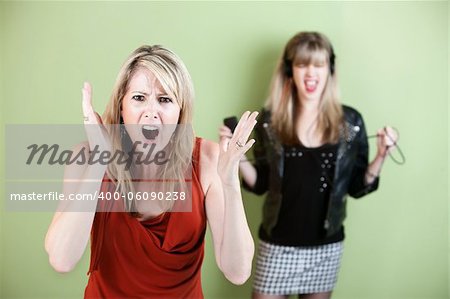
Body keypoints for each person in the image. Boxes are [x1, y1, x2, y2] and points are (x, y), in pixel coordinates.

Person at [45, 45, 257, 298]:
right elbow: (61, 260)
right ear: (121, 106)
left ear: (180, 111)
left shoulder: (207, 158)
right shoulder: (87, 157)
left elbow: (238, 272)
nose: (151, 112)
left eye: (164, 99)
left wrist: (230, 183)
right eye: (139, 97)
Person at [219, 32, 398, 299]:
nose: (311, 73)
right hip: (277, 245)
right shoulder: (271, 122)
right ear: (290, 70)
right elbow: (260, 184)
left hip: (325, 248)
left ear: (330, 70)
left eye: (319, 65)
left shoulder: (351, 122)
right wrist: (237, 154)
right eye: (303, 64)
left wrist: (382, 155)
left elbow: (358, 187)